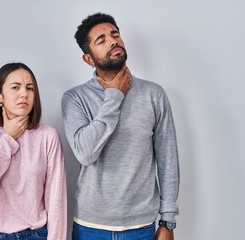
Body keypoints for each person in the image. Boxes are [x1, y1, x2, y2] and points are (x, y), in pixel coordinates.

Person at [61, 13, 180, 240]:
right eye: (101, 40)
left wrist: (168, 220)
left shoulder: (153, 94)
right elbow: (86, 153)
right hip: (89, 227)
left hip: (142, 227)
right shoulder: (75, 98)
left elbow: (168, 160)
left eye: (115, 34)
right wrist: (115, 95)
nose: (113, 41)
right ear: (88, 59)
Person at [0, 62, 67, 240]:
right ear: (0, 96)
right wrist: (8, 138)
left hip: (37, 234)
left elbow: (56, 199)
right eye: (15, 87)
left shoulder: (47, 135)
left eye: (30, 88)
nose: (24, 93)